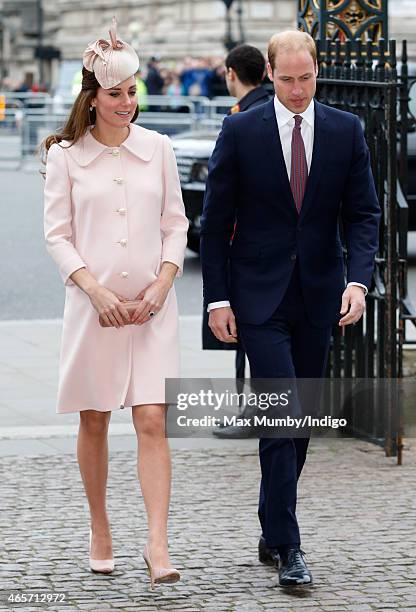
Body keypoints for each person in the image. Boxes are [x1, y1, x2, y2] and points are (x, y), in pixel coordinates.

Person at [200, 30, 380, 587]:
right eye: (287, 79)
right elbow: (213, 218)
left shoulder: (346, 129)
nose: (298, 90)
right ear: (270, 74)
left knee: (297, 422)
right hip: (258, 296)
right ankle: (291, 546)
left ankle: (271, 524)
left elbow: (364, 215)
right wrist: (218, 298)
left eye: (307, 78)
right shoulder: (239, 129)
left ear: (317, 71)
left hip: (320, 294)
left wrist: (358, 282)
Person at [42, 18, 188, 588]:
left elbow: (176, 224)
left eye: (132, 92)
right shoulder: (65, 156)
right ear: (93, 96)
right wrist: (95, 290)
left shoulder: (160, 149)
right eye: (116, 93)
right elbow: (57, 234)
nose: (127, 103)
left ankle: (157, 543)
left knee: (152, 418)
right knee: (96, 418)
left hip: (152, 310)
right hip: (92, 309)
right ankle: (100, 527)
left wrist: (163, 283)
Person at [201, 44, 270, 438]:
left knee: (249, 336)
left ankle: (256, 413)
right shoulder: (261, 107)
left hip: (248, 245)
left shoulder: (243, 115)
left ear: (231, 73)